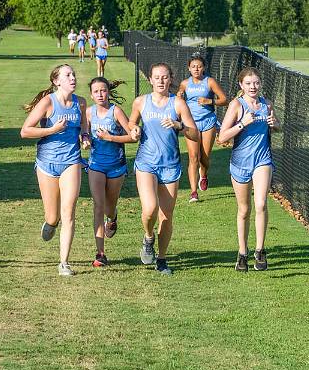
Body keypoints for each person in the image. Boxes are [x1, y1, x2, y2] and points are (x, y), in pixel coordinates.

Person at [21, 64, 91, 276]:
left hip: (71, 161)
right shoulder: (47, 102)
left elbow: (84, 126)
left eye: (73, 75)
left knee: (68, 212)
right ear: (56, 81)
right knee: (53, 216)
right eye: (67, 75)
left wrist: (85, 137)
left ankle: (64, 263)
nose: (73, 78)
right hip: (47, 164)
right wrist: (52, 129)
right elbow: (25, 131)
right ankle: (51, 222)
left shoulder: (80, 103)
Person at [128, 63, 199, 275]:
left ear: (170, 79)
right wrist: (134, 130)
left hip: (170, 165)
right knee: (149, 208)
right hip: (146, 162)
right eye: (157, 77)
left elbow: (194, 134)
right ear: (150, 79)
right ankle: (148, 237)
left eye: (165, 77)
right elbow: (131, 124)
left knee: (166, 215)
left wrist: (179, 126)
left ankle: (162, 259)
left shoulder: (178, 104)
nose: (160, 81)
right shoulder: (141, 102)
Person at [218, 67, 281, 272]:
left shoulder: (267, 104)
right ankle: (242, 253)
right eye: (248, 83)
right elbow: (222, 137)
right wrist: (242, 124)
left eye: (256, 83)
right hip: (240, 163)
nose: (253, 87)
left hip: (262, 160)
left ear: (260, 84)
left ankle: (260, 250)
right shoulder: (237, 105)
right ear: (241, 85)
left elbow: (277, 126)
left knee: (261, 204)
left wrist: (275, 123)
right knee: (244, 210)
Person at [85, 77, 136, 267]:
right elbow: (83, 133)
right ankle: (100, 253)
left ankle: (112, 218)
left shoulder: (116, 112)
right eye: (96, 91)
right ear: (91, 94)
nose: (100, 94)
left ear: (108, 92)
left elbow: (132, 137)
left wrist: (111, 137)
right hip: (96, 164)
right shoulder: (89, 113)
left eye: (103, 90)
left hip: (116, 165)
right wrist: (85, 140)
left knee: (109, 206)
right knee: (98, 205)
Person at [176, 54, 228, 202]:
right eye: (193, 67)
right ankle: (193, 192)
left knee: (204, 157)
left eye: (199, 66)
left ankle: (203, 175)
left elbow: (224, 100)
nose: (196, 69)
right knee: (193, 157)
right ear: (189, 68)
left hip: (208, 122)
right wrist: (179, 94)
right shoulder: (185, 83)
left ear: (203, 67)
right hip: (191, 123)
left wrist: (209, 101)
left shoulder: (210, 82)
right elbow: (179, 96)